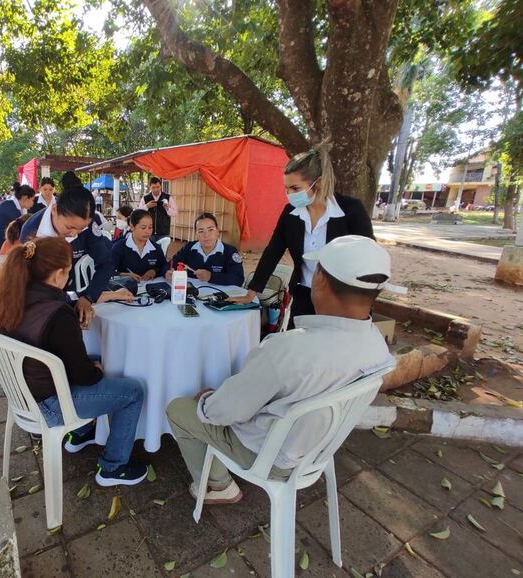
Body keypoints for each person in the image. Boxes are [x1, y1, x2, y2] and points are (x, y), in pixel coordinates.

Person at [166, 235, 398, 504]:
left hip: (268, 455)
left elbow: (223, 412)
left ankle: (219, 486)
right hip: (317, 450)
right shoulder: (377, 347)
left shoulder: (287, 351)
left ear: (319, 280)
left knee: (180, 408)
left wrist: (206, 400)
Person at [0, 236, 148, 486]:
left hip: (25, 390)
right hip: (51, 403)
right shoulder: (58, 315)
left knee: (99, 360)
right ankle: (114, 466)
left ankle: (81, 433)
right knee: (134, 390)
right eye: (68, 271)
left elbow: (57, 322)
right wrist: (96, 370)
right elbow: (84, 375)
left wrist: (88, 302)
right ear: (58, 274)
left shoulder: (15, 295)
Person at [229, 140, 374, 325]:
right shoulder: (290, 213)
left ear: (318, 183)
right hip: (304, 294)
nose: (289, 194)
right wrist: (252, 292)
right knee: (298, 347)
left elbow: (369, 258)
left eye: (295, 188)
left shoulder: (351, 211)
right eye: (286, 189)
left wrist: (359, 304)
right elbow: (273, 251)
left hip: (343, 301)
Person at [21, 172, 117, 328]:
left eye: (80, 229)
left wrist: (88, 297)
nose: (74, 234)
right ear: (54, 210)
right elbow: (33, 287)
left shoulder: (87, 228)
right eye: (69, 227)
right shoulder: (32, 231)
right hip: (39, 308)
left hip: (68, 295)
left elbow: (106, 263)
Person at [166, 213, 244, 287]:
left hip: (218, 296)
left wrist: (211, 276)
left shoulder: (230, 251)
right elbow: (171, 264)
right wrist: (167, 273)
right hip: (192, 294)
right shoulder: (189, 248)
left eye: (210, 230)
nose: (206, 235)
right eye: (201, 231)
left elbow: (238, 279)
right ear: (196, 234)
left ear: (217, 231)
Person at [0, 183, 36, 277]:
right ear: (25, 198)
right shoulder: (11, 209)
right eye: (32, 200)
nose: (33, 203)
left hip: (0, 247)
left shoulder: (13, 206)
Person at [110, 209, 169, 282]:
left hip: (149, 289)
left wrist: (154, 271)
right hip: (125, 290)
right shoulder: (119, 247)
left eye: (150, 227)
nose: (148, 231)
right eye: (143, 228)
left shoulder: (155, 248)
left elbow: (164, 266)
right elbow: (108, 271)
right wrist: (126, 275)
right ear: (132, 227)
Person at [138, 176, 177, 240]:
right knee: (149, 249)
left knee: (162, 250)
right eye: (153, 187)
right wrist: (146, 206)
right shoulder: (145, 198)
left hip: (164, 232)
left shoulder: (168, 197)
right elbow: (139, 213)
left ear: (161, 186)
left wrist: (168, 208)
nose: (156, 189)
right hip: (149, 232)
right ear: (150, 187)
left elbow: (175, 213)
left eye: (158, 187)